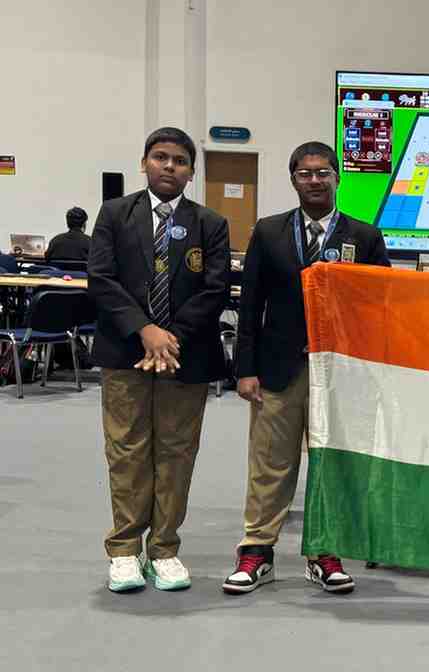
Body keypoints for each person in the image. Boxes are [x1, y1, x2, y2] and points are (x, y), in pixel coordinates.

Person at [222, 141, 391, 595]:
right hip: (277, 370)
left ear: (338, 177)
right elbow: (250, 303)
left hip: (339, 375)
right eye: (305, 173)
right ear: (293, 179)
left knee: (330, 464)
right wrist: (245, 368)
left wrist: (372, 372)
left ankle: (324, 552)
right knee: (269, 464)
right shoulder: (269, 231)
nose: (314, 180)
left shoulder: (365, 237)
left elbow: (380, 308)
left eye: (322, 172)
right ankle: (257, 551)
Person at [88, 127, 230, 593]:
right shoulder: (115, 214)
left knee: (176, 453)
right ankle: (125, 549)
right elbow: (101, 279)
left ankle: (165, 549)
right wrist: (145, 331)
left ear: (192, 171)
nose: (169, 166)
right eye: (160, 157)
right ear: (144, 163)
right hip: (126, 351)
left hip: (185, 355)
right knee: (127, 449)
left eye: (180, 161)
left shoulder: (210, 223)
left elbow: (215, 289)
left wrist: (169, 339)